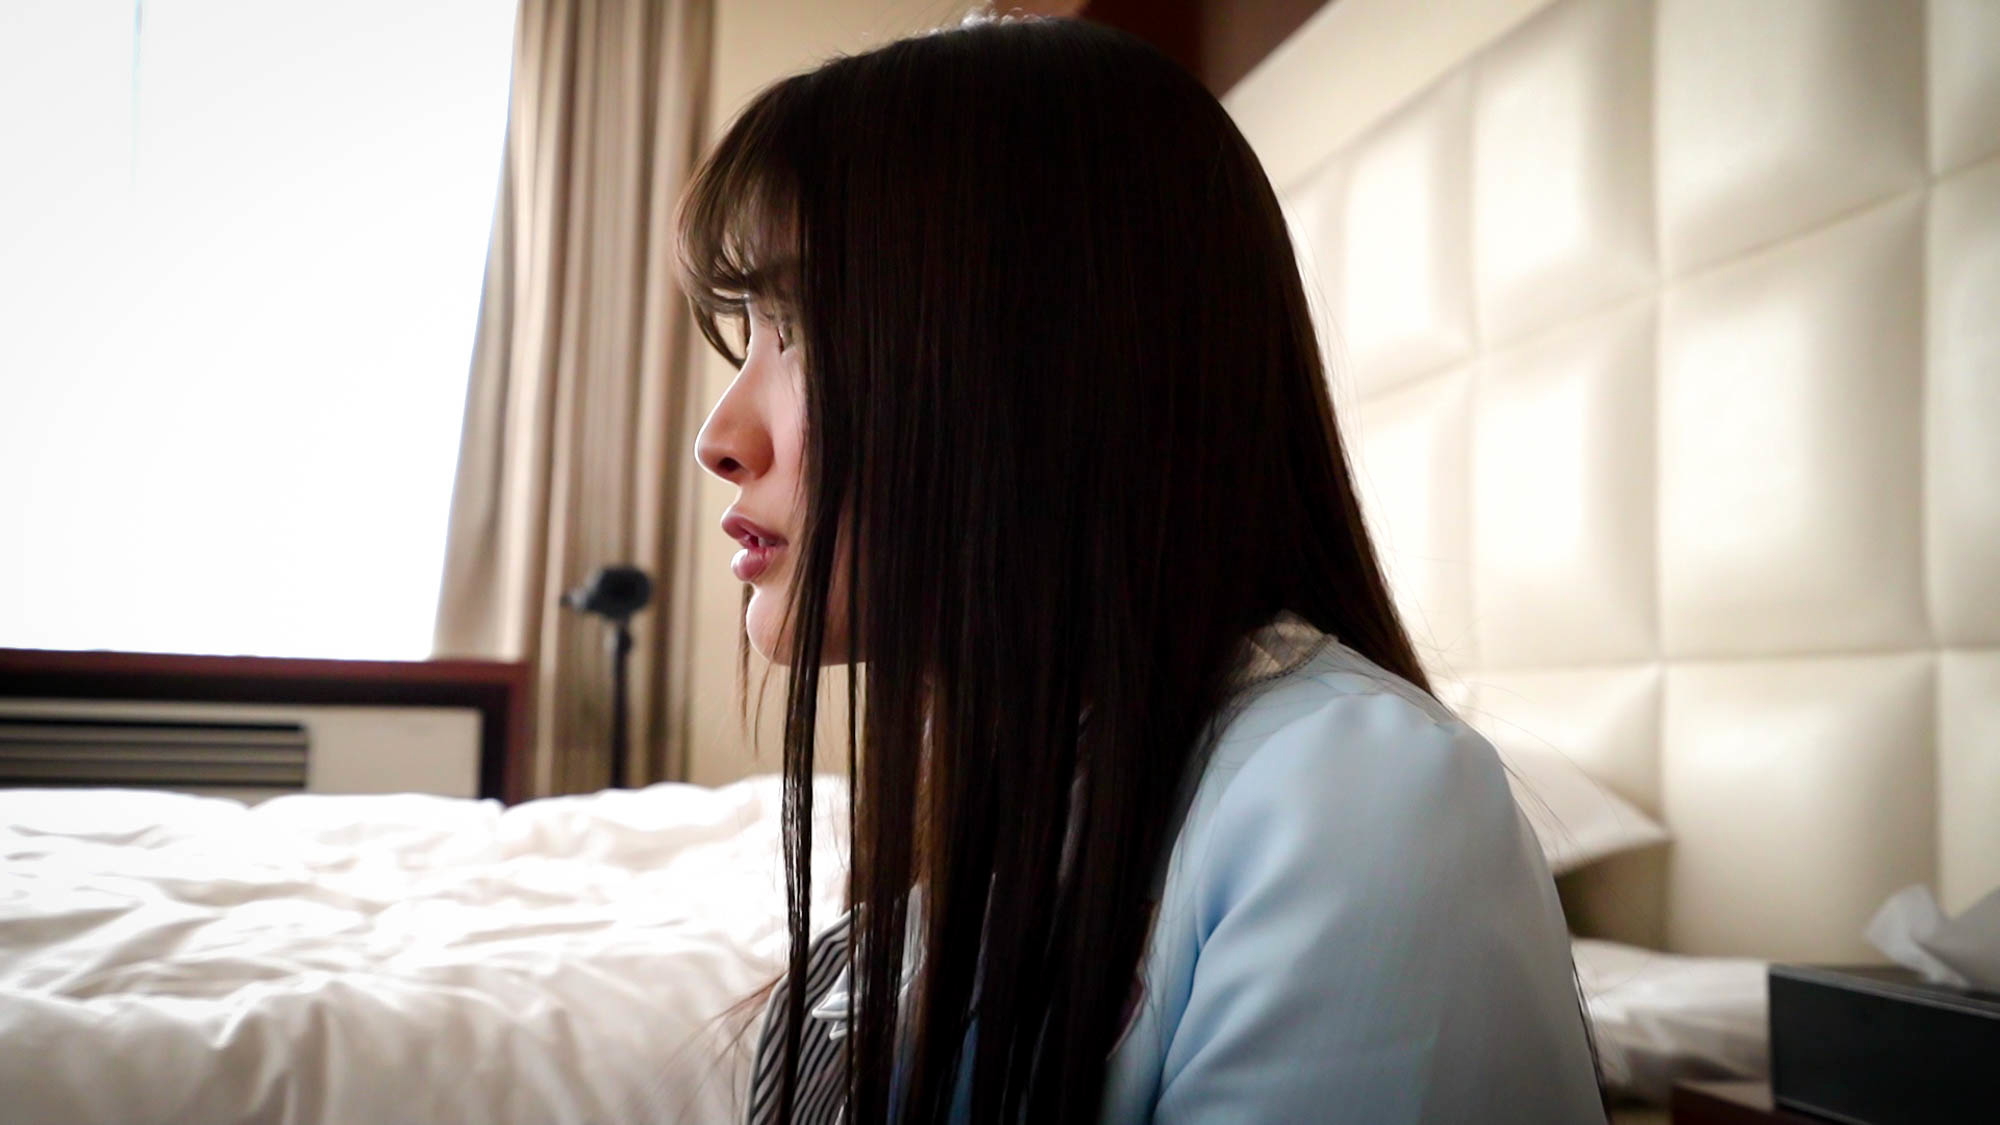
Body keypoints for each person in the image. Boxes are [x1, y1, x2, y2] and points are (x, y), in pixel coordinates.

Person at [681, 13, 1604, 1125]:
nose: (720, 437)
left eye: (804, 330)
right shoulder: (1000, 834)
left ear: (1038, 359)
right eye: (750, 335)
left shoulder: (1356, 805)